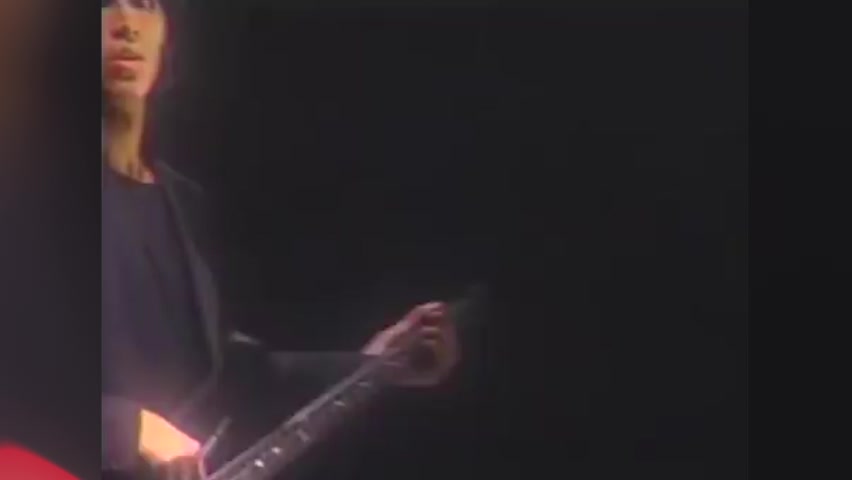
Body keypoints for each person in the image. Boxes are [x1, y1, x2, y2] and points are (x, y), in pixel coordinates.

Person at [101, 1, 461, 478]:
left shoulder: (181, 201)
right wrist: (128, 428)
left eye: (144, 3)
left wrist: (370, 365)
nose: (127, 25)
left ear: (166, 36)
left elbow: (230, 377)